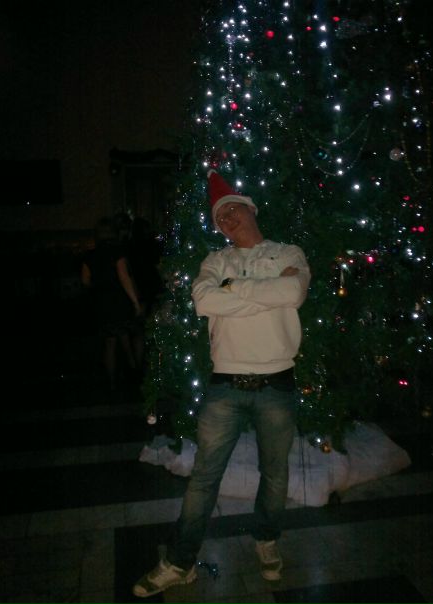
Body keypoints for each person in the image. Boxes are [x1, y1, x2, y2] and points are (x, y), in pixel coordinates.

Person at [133, 170, 311, 597]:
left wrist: (235, 291)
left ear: (251, 209)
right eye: (219, 217)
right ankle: (179, 562)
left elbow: (293, 293)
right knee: (203, 478)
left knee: (275, 474)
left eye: (232, 210)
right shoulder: (215, 262)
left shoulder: (288, 252)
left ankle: (266, 540)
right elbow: (204, 300)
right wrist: (263, 289)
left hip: (277, 383)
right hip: (225, 385)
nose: (227, 219)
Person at [81, 216, 143, 393]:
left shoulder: (90, 255)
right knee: (126, 336)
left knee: (109, 343)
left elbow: (85, 281)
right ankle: (134, 374)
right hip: (119, 301)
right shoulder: (117, 252)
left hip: (101, 303)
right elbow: (124, 277)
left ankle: (112, 383)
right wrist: (135, 302)